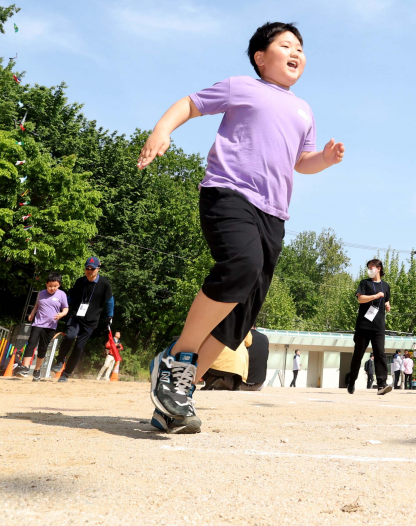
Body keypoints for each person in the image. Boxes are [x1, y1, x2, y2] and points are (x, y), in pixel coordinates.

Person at [140, 22, 345, 434]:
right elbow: (189, 104)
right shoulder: (241, 87)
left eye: (300, 48)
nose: (295, 52)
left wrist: (324, 158)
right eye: (285, 45)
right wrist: (162, 130)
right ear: (260, 57)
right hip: (229, 193)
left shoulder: (304, 110)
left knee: (244, 309)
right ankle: (177, 357)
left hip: (274, 214)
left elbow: (300, 162)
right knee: (240, 266)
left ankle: (177, 398)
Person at [57, 258, 114, 383]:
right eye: (87, 268)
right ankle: (60, 359)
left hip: (91, 321)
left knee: (78, 347)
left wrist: (110, 316)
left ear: (98, 269)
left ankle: (65, 374)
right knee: (70, 336)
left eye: (92, 269)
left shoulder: (104, 284)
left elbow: (109, 300)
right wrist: (59, 305)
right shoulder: (79, 282)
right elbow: (71, 297)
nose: (89, 271)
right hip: (76, 316)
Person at [346, 259, 393, 396]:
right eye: (368, 267)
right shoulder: (364, 283)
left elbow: (387, 300)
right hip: (364, 325)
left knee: (380, 354)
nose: (369, 269)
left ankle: (381, 385)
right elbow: (360, 299)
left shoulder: (386, 286)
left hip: (378, 326)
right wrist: (375, 296)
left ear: (378, 268)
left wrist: (388, 306)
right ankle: (351, 381)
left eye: (371, 267)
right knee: (358, 355)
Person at [15, 274, 69, 381]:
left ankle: (37, 370)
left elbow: (66, 308)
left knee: (42, 349)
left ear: (59, 285)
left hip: (50, 327)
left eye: (55, 286)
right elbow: (37, 305)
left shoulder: (62, 295)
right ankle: (25, 368)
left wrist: (62, 314)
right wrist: (32, 313)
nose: (52, 288)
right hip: (38, 324)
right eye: (50, 286)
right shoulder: (41, 293)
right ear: (46, 284)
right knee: (31, 344)